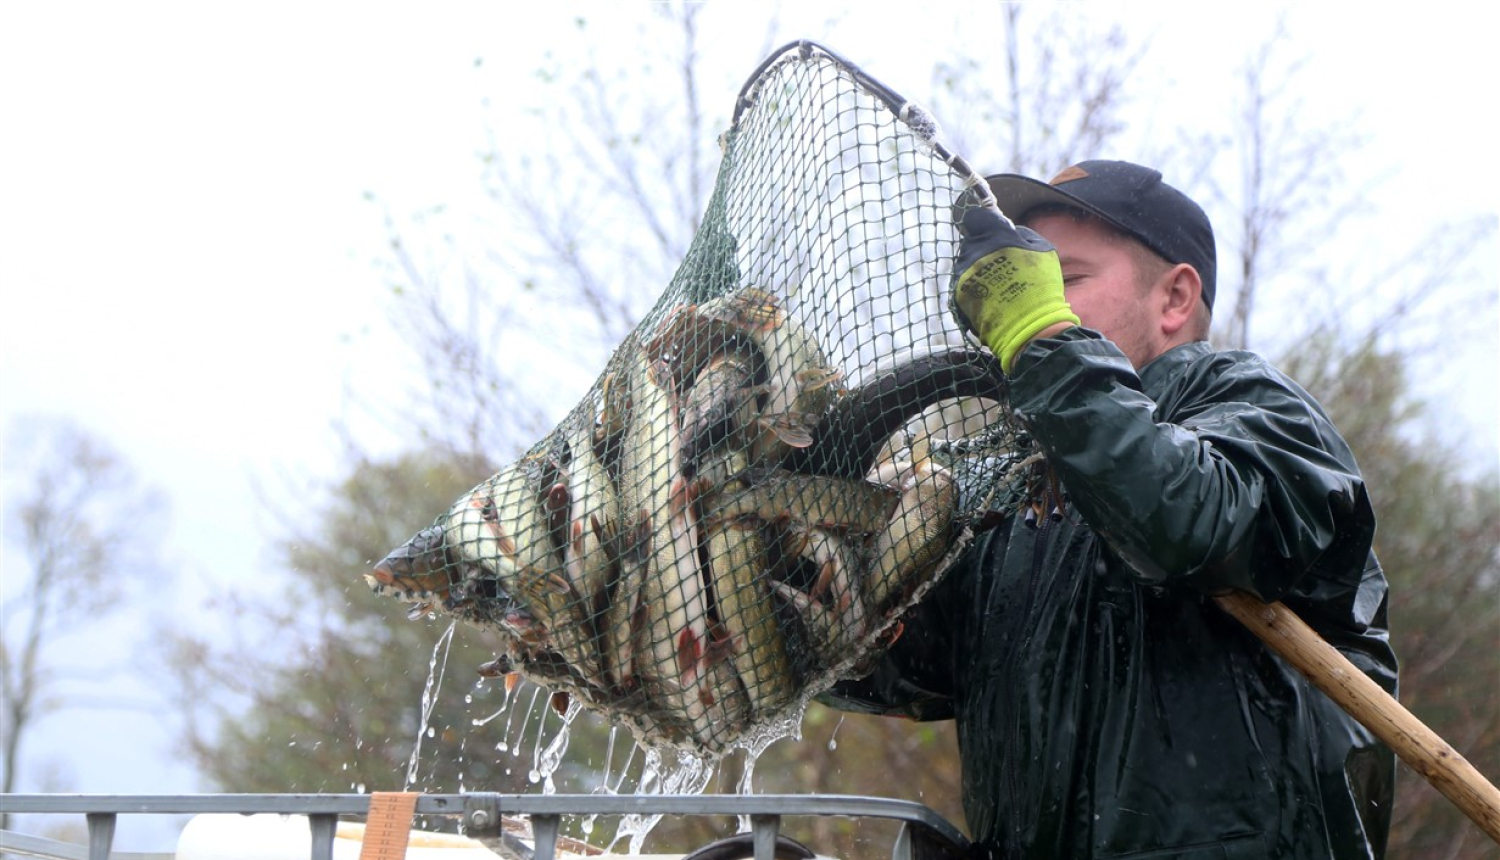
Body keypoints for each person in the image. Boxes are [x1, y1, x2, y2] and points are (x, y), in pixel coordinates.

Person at [821, 160, 1398, 859]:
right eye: (1018, 286)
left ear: (1175, 300)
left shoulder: (1255, 410)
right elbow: (905, 659)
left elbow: (1187, 519)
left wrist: (1042, 340)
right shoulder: (1017, 494)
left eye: (1062, 282)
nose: (1017, 303)